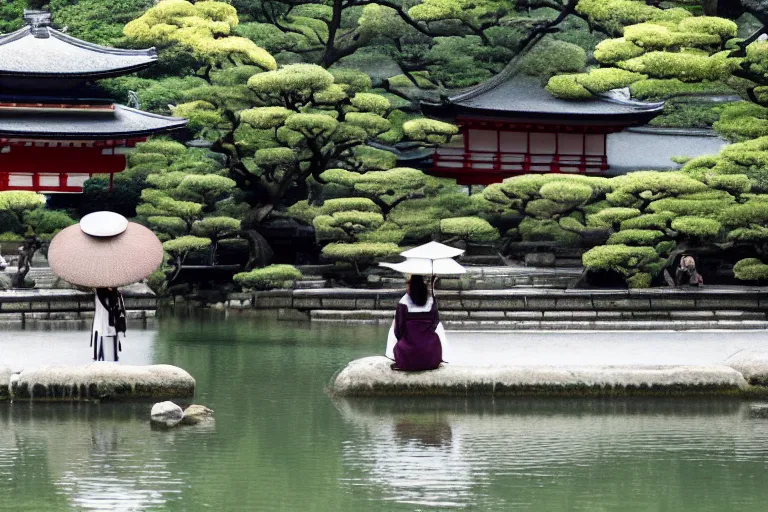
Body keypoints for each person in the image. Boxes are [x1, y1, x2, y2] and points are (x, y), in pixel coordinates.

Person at [385, 275, 452, 371]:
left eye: (408, 284)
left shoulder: (403, 302)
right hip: (430, 355)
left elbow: (398, 331)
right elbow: (435, 325)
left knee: (393, 327)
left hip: (408, 355)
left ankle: (391, 357)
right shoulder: (431, 301)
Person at [91, 287, 127, 362]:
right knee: (102, 357)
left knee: (110, 357)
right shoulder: (101, 294)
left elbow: (121, 312)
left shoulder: (117, 294)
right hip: (102, 330)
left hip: (110, 329)